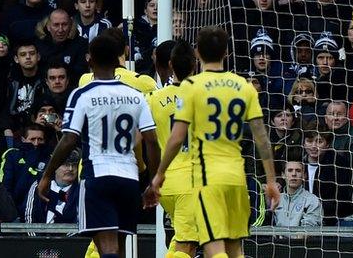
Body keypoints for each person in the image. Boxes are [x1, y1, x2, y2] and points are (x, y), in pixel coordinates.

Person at [144, 26, 280, 258]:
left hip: (206, 177)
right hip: (236, 177)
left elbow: (176, 138)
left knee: (212, 247)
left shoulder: (191, 88)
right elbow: (262, 137)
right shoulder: (244, 87)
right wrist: (271, 180)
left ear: (198, 54)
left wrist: (158, 175)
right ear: (226, 53)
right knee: (234, 248)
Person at [36, 35, 160, 257]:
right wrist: (154, 181)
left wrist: (47, 174)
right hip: (129, 177)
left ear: (89, 60)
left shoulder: (82, 94)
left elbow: (68, 139)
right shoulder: (136, 96)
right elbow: (151, 140)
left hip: (98, 175)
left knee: (107, 249)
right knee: (119, 248)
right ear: (118, 61)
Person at [145, 40, 198, 258]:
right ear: (194, 65)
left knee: (179, 240)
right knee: (188, 245)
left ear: (171, 65)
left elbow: (142, 137)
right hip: (191, 181)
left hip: (165, 181)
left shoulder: (152, 99)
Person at [1, 124, 51, 218]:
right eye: (32, 139)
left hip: (40, 211)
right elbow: (5, 185)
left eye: (40, 139)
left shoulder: (50, 158)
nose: (36, 143)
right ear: (23, 140)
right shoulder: (12, 155)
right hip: (14, 211)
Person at [25, 149, 80, 224]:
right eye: (65, 165)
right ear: (54, 167)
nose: (70, 169)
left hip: (72, 235)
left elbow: (80, 221)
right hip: (39, 234)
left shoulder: (81, 190)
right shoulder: (39, 185)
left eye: (74, 165)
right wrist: (35, 236)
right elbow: (29, 217)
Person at [274, 161, 322, 227]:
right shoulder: (277, 199)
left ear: (304, 176)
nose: (294, 174)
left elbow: (309, 230)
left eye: (298, 171)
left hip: (300, 237)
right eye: (290, 170)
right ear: (283, 175)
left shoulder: (312, 200)